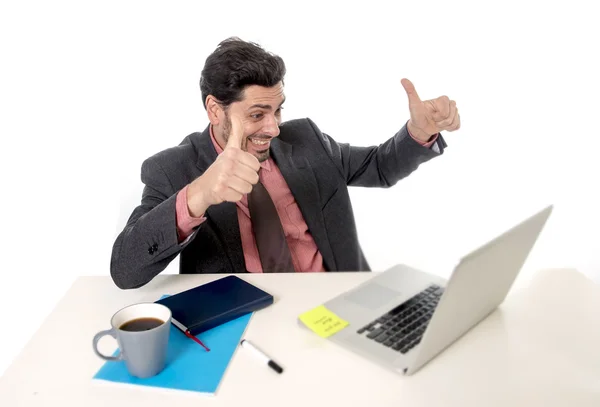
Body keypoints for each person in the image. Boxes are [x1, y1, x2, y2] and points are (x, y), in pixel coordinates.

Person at [110, 37, 461, 289]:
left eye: (277, 110)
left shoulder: (306, 140)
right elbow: (125, 270)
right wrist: (199, 194)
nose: (273, 127)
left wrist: (419, 130)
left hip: (339, 302)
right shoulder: (173, 169)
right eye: (257, 114)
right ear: (215, 109)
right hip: (249, 324)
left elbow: (380, 167)